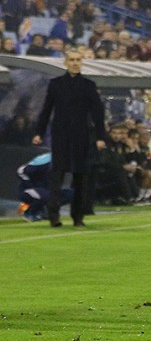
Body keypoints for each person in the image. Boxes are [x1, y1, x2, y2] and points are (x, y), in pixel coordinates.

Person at [33, 50, 106, 227]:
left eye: (78, 60)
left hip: (82, 136)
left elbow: (98, 113)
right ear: (65, 62)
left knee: (81, 178)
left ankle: (78, 217)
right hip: (61, 136)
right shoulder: (55, 84)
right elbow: (46, 110)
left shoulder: (89, 85)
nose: (75, 63)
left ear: (82, 63)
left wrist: (100, 137)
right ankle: (53, 216)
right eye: (71, 60)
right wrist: (39, 133)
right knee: (57, 176)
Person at [17, 152, 73, 222]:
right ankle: (29, 212)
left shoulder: (64, 162)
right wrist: (30, 186)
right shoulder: (46, 161)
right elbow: (21, 170)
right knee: (46, 195)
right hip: (29, 190)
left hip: (47, 190)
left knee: (73, 194)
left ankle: (47, 210)